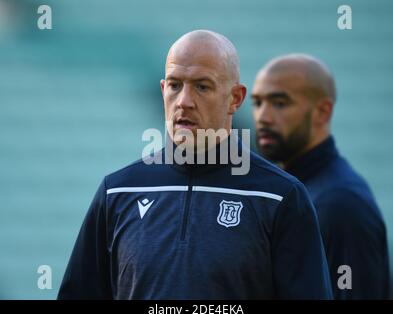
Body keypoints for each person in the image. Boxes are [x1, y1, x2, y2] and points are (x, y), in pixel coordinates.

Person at [58, 31, 332, 299]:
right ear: (163, 90)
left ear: (235, 98)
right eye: (175, 85)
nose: (184, 102)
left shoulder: (280, 197)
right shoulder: (116, 192)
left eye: (202, 86)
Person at [252, 54, 390, 299]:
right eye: (257, 103)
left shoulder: (340, 205)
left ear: (322, 112)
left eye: (280, 103)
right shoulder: (289, 190)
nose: (263, 116)